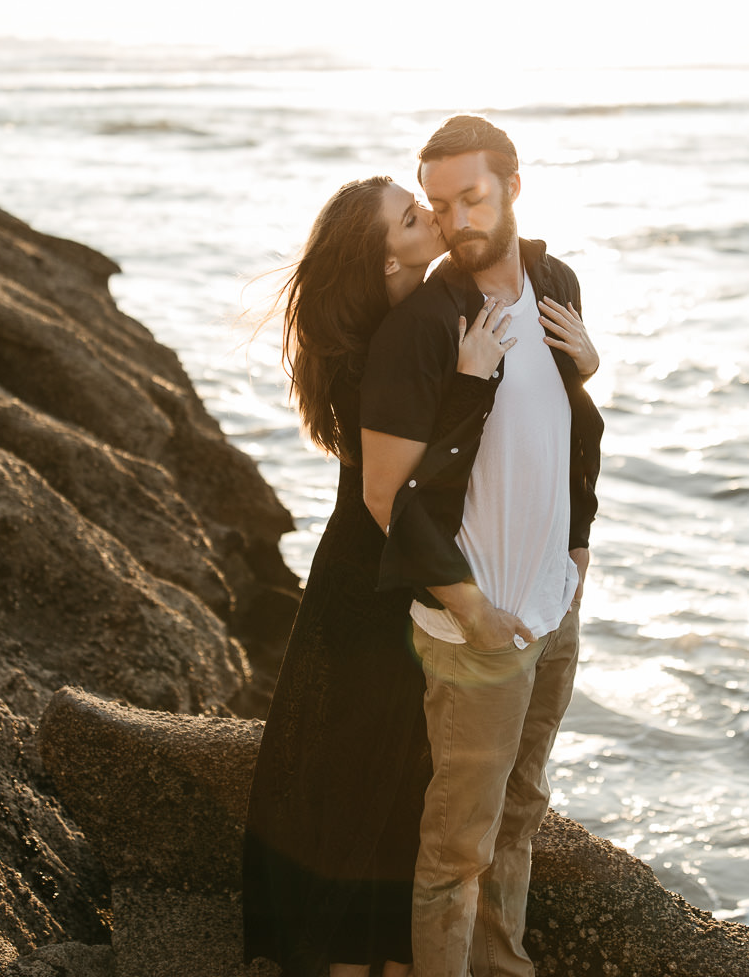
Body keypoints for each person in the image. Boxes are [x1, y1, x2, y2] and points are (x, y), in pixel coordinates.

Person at [243, 174, 518, 977]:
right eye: (411, 215)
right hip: (373, 583)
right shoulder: (378, 353)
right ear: (384, 258)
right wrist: (470, 383)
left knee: (391, 776)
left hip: (380, 572)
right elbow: (404, 490)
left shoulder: (402, 321)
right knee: (365, 781)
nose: (431, 215)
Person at [361, 116, 604, 977]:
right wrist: (473, 608)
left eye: (472, 197)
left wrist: (577, 545)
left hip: (551, 605)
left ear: (511, 186)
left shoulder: (556, 280)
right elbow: (384, 495)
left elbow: (566, 426)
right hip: (476, 626)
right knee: (457, 849)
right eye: (439, 205)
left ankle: (504, 968)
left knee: (524, 809)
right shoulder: (426, 325)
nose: (457, 221)